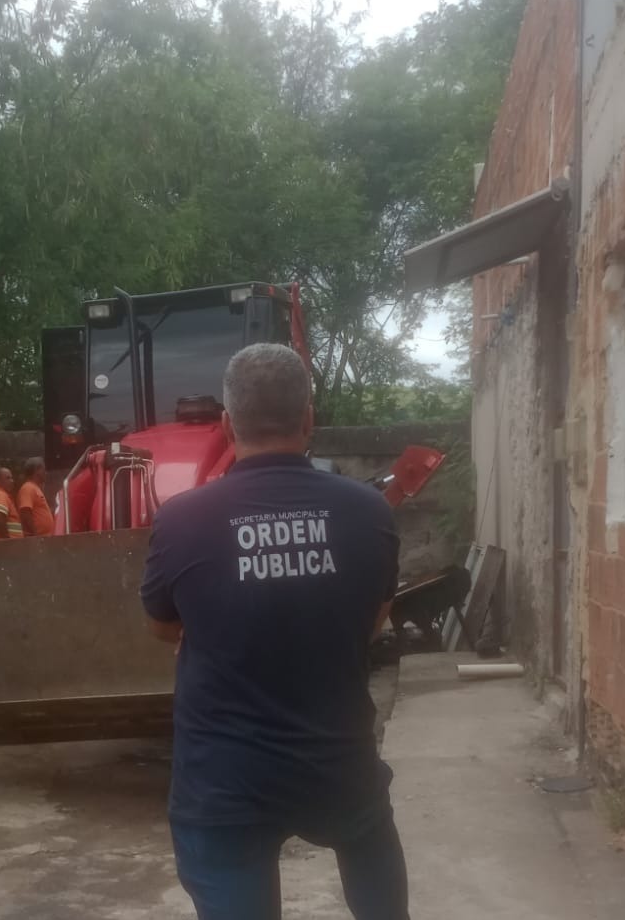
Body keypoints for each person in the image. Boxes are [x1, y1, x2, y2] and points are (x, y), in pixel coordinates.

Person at [140, 342, 408, 920]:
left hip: (225, 780)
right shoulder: (368, 511)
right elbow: (373, 618)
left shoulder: (182, 519)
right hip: (339, 766)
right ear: (309, 418)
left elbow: (163, 625)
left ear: (226, 424)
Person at [17, 457, 55, 537]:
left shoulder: (35, 488)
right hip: (37, 540)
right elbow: (25, 511)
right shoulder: (27, 488)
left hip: (43, 538)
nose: (46, 472)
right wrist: (35, 535)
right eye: (44, 469)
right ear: (37, 470)